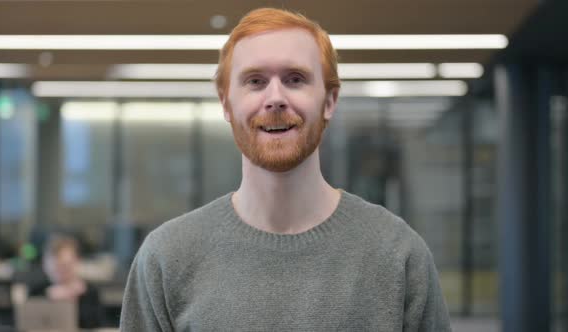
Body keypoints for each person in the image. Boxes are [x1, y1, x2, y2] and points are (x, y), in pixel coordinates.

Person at [121, 7, 451, 331]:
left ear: (330, 101)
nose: (275, 98)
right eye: (255, 81)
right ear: (226, 103)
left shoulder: (397, 255)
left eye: (295, 79)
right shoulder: (166, 259)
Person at [29, 234, 105, 329]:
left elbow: (93, 325)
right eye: (56, 267)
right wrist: (48, 297)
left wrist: (73, 300)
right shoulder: (37, 291)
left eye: (65, 266)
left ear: (77, 262)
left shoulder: (89, 292)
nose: (60, 272)